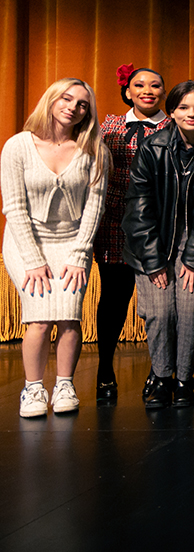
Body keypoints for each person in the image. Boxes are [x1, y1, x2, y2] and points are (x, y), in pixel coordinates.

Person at [123, 80, 194, 409]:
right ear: (171, 111)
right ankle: (161, 376)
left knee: (189, 313)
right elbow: (138, 207)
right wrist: (153, 261)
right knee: (159, 313)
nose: (192, 113)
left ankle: (184, 378)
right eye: (184, 107)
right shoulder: (151, 148)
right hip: (153, 240)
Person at [3, 79, 109, 418]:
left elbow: (95, 207)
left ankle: (65, 384)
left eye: (82, 104)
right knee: (39, 318)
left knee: (69, 314)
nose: (73, 107)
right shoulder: (18, 146)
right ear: (51, 100)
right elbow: (14, 208)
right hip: (26, 241)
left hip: (72, 243)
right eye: (67, 99)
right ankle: (33, 388)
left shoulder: (95, 150)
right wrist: (33, 261)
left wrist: (80, 255)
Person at [95, 65, 170, 404]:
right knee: (113, 298)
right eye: (139, 85)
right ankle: (104, 368)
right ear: (127, 91)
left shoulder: (176, 126)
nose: (147, 90)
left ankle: (161, 371)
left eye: (155, 85)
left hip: (159, 225)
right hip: (115, 222)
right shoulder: (108, 126)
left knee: (161, 302)